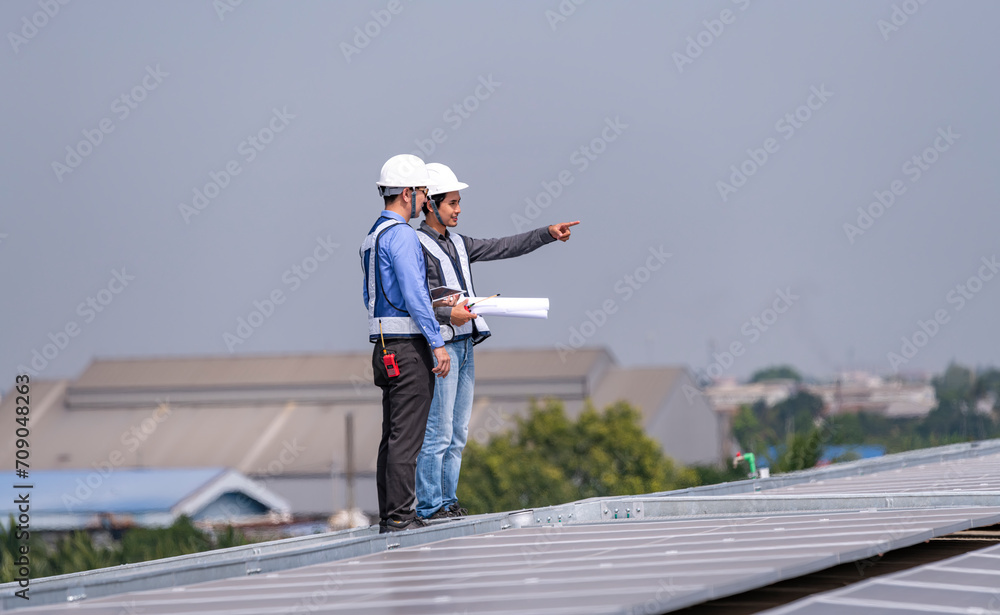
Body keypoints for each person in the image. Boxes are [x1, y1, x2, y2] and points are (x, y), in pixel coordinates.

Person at [414, 162, 579, 519]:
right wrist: (445, 314)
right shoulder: (415, 244)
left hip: (466, 344)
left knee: (457, 431)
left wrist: (546, 233)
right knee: (438, 432)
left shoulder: (459, 243)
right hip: (440, 347)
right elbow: (414, 300)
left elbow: (503, 246)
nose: (458, 210)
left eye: (459, 203)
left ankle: (447, 501)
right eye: (452, 203)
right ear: (431, 204)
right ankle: (429, 506)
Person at [360, 154, 452, 533]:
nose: (425, 203)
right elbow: (415, 293)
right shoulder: (401, 235)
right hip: (406, 345)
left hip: (383, 345)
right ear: (408, 193)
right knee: (408, 435)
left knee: (393, 434)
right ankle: (401, 517)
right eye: (424, 194)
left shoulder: (373, 236)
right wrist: (437, 342)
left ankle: (391, 514)